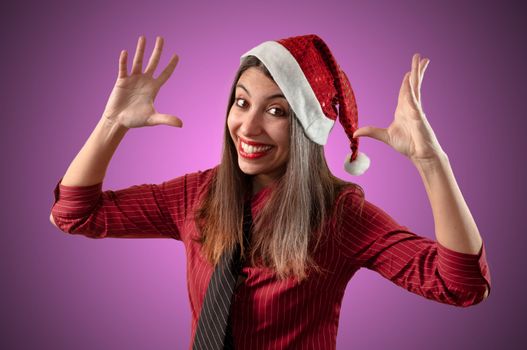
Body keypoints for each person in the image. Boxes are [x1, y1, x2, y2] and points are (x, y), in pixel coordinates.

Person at [50, 34, 491, 349]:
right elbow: (74, 214)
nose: (248, 125)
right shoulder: (195, 195)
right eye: (241, 103)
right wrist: (112, 124)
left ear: (305, 129)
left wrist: (432, 163)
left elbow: (461, 284)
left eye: (276, 110)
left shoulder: (340, 215)